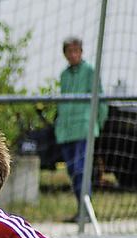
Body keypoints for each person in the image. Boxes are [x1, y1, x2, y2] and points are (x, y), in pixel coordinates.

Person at [55, 36, 108, 222]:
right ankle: (81, 210)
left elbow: (100, 98)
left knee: (81, 170)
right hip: (66, 131)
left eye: (76, 51)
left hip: (83, 129)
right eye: (69, 51)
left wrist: (97, 123)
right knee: (71, 171)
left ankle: (86, 211)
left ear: (81, 52)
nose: (73, 54)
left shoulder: (90, 71)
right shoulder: (64, 75)